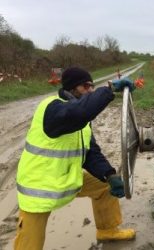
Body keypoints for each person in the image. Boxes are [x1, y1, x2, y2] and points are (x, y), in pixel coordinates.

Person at [14, 67, 136, 250]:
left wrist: (109, 175)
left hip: (66, 178)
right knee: (30, 243)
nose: (91, 91)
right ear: (72, 88)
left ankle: (107, 230)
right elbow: (80, 112)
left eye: (92, 86)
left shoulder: (81, 121)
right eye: (86, 86)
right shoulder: (53, 108)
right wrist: (109, 88)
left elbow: (90, 152)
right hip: (38, 187)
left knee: (103, 186)